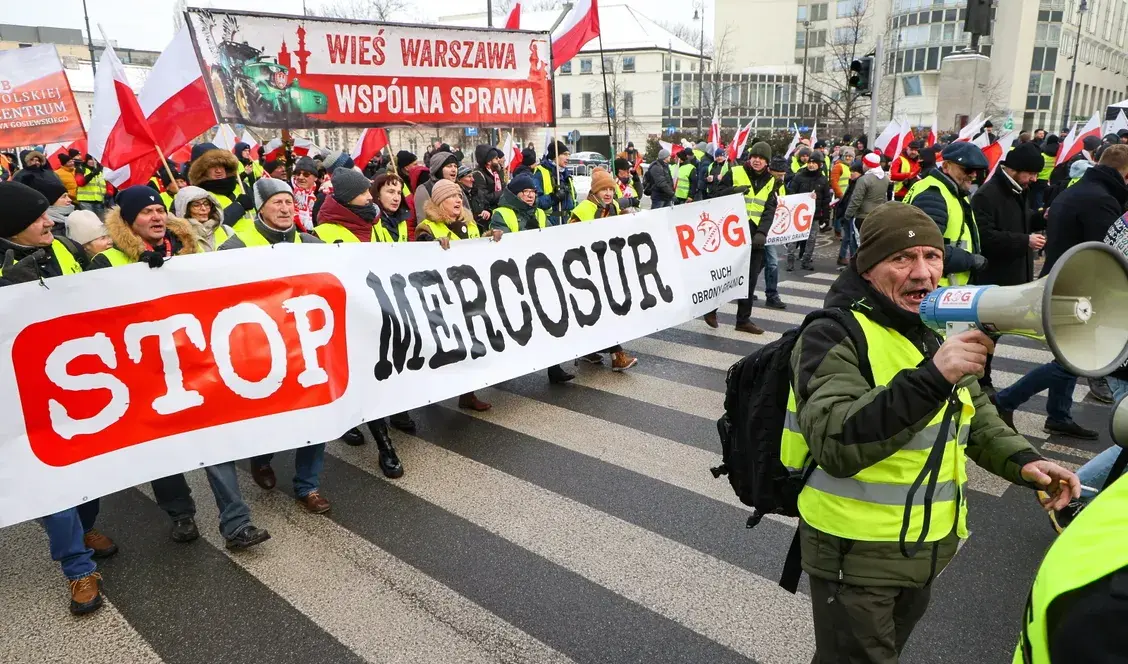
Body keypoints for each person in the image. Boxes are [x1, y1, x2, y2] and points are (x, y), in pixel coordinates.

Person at [786, 202, 1080, 664]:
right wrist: (933, 378)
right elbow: (836, 443)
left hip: (924, 548)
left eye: (933, 256)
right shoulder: (832, 335)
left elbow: (974, 413)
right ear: (867, 269)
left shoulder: (931, 330)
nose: (923, 273)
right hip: (855, 553)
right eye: (902, 258)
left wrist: (1024, 461)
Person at [90, 186, 272, 549]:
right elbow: (96, 320)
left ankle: (236, 523)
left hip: (194, 364)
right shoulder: (105, 262)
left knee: (215, 441)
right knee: (165, 450)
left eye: (160, 209)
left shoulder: (189, 251)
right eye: (146, 212)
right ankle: (181, 515)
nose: (156, 216)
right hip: (145, 373)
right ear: (128, 220)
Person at [0, 181, 114, 615]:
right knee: (52, 480)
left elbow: (97, 289)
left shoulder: (64, 247)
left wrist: (144, 272)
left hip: (78, 382)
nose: (50, 222)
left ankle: (85, 529)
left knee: (90, 471)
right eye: (38, 218)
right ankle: (77, 568)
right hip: (24, 397)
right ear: (11, 226)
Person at [210, 179, 336, 508]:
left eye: (289, 202)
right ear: (260, 208)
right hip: (261, 349)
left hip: (306, 347)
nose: (285, 208)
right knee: (270, 415)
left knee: (315, 415)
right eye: (277, 202)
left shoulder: (310, 243)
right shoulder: (235, 246)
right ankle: (262, 457)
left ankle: (308, 486)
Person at [969, 142, 1046, 394]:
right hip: (994, 279)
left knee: (995, 333)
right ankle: (980, 380)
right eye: (1031, 173)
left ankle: (981, 378)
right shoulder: (987, 194)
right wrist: (1025, 241)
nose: (1033, 179)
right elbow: (985, 237)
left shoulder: (1017, 190)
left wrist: (1040, 217)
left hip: (1012, 277)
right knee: (985, 332)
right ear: (1015, 169)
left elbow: (1021, 220)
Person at [490, 173, 575, 384]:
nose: (530, 196)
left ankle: (554, 368)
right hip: (514, 279)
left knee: (549, 321)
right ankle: (503, 370)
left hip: (539, 275)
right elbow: (503, 244)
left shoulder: (540, 213)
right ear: (515, 194)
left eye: (532, 192)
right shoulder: (502, 213)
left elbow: (552, 237)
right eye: (525, 192)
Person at [415, 179, 492, 411]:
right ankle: (428, 394)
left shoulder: (469, 224)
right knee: (443, 346)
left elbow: (478, 248)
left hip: (467, 292)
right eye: (451, 197)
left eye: (459, 195)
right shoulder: (427, 228)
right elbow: (418, 260)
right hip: (443, 296)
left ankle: (467, 394)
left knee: (469, 342)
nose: (458, 200)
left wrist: (492, 237)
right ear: (440, 202)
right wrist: (431, 245)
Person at [567, 170, 639, 371]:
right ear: (595, 191)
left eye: (610, 189)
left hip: (608, 266)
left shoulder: (613, 206)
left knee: (604, 311)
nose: (608, 193)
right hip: (587, 268)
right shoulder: (583, 209)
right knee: (606, 311)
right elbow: (568, 237)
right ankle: (617, 356)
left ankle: (589, 350)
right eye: (603, 189)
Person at [712, 141, 783, 332]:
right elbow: (715, 195)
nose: (757, 160)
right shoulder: (735, 172)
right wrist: (733, 191)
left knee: (750, 280)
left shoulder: (771, 181)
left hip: (754, 235)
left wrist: (762, 233)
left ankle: (743, 320)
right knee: (726, 274)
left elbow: (769, 209)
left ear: (767, 162)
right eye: (754, 157)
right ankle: (711, 309)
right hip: (732, 233)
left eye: (761, 158)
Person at [904, 141, 989, 287]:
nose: (973, 176)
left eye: (977, 171)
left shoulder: (954, 191)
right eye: (968, 170)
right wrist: (969, 260)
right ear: (946, 166)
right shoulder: (933, 195)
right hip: (934, 286)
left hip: (947, 283)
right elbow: (924, 246)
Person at [188, 143, 255, 228]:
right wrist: (239, 206)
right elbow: (208, 227)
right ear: (201, 171)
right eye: (212, 166)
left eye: (221, 165)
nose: (218, 170)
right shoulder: (197, 197)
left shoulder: (241, 186)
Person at [785, 150, 831, 271]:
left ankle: (806, 261)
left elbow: (826, 199)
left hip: (814, 215)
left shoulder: (823, 180)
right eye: (810, 162)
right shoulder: (799, 176)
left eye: (814, 163)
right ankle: (790, 261)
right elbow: (791, 193)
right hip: (798, 214)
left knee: (812, 239)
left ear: (820, 164)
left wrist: (825, 217)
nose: (811, 165)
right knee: (794, 238)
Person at [172, 186, 234, 251]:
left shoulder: (226, 230)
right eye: (196, 205)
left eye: (206, 204)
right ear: (185, 210)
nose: (204, 208)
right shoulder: (177, 238)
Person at [532, 141, 576, 225]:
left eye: (568, 154)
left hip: (567, 222)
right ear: (554, 156)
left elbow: (574, 199)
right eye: (564, 154)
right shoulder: (541, 173)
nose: (568, 158)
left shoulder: (566, 175)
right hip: (549, 223)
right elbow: (535, 201)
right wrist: (554, 197)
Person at [23, 172, 74, 237]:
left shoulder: (75, 215)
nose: (70, 200)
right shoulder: (46, 227)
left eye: (68, 196)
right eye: (64, 197)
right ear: (50, 201)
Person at [471, 145, 503, 231]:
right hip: (486, 216)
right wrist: (502, 193)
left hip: (496, 212)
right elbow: (484, 197)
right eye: (496, 158)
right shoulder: (478, 174)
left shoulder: (496, 172)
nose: (499, 160)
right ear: (489, 162)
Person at [290, 156, 320, 232]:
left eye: (306, 174)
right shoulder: (288, 191)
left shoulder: (319, 196)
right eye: (298, 173)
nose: (300, 177)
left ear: (315, 178)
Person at [1031, 134, 1060, 212]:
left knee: (1038, 197)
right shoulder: (1059, 156)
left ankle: (1038, 211)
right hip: (1052, 181)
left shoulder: (1042, 155)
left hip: (1039, 179)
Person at [74, 155, 107, 219]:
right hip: (85, 201)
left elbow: (105, 184)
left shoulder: (100, 170)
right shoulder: (81, 169)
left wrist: (108, 194)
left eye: (95, 160)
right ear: (86, 160)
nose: (93, 162)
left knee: (101, 221)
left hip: (99, 201)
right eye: (90, 159)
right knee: (90, 220)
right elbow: (80, 182)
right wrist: (92, 174)